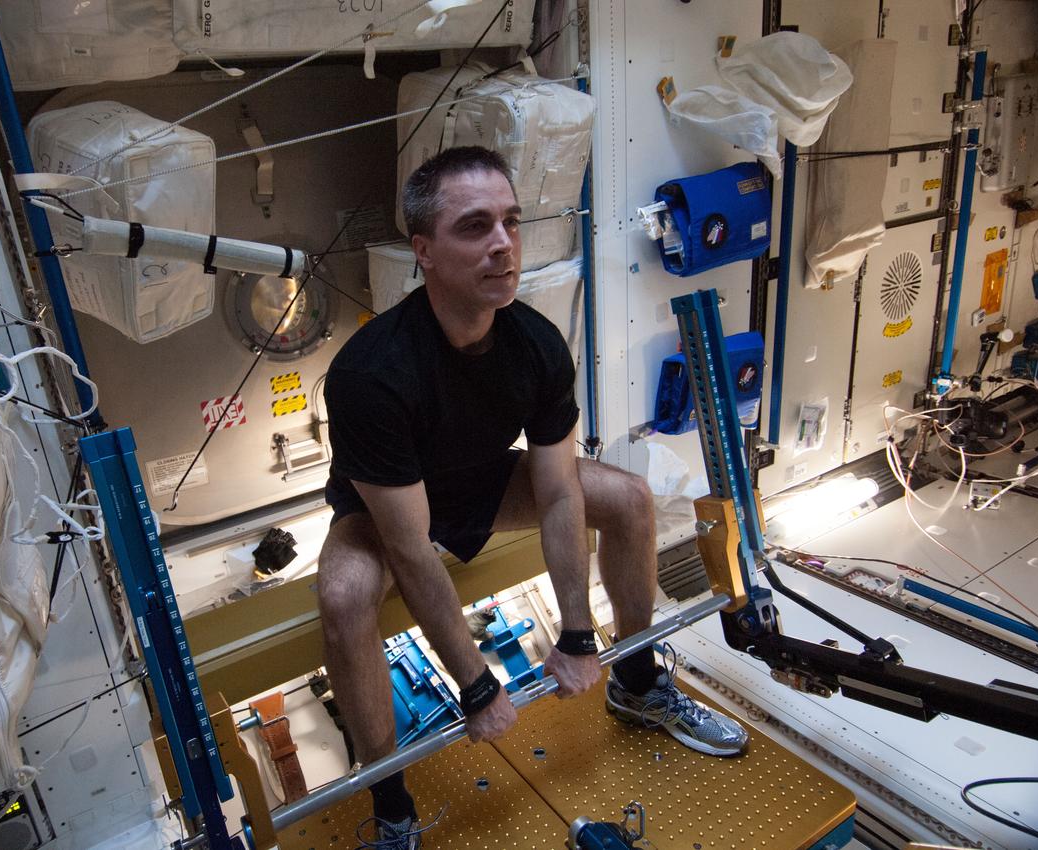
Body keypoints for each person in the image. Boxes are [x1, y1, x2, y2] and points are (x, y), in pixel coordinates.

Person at [318, 146, 747, 849]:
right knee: (342, 596)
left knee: (632, 500)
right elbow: (410, 546)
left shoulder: (538, 343)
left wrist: (578, 634)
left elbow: (556, 493)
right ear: (423, 251)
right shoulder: (373, 374)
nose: (502, 245)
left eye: (512, 223)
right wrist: (476, 683)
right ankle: (392, 807)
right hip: (383, 513)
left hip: (484, 482)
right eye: (475, 226)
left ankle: (635, 682)